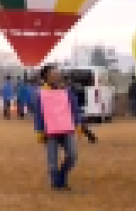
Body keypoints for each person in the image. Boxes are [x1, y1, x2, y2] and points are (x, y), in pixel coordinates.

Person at [34, 63, 86, 191]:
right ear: (46, 77)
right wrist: (40, 131)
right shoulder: (41, 93)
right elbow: (38, 113)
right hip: (50, 130)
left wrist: (78, 123)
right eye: (53, 74)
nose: (57, 76)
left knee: (72, 155)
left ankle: (61, 177)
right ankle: (56, 184)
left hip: (66, 127)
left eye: (58, 73)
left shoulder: (66, 91)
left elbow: (74, 107)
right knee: (52, 160)